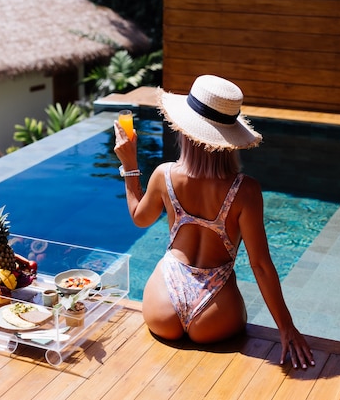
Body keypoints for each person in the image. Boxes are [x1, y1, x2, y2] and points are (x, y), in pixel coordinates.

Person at [113, 74, 315, 369]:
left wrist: (130, 165)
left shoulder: (164, 174)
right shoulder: (245, 190)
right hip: (216, 316)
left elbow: (139, 218)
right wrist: (287, 327)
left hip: (162, 304)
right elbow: (260, 265)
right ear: (230, 140)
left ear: (184, 130)